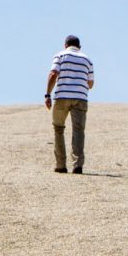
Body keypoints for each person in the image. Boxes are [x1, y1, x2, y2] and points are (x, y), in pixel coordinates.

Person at [44, 35, 95, 174]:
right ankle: (77, 165)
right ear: (79, 47)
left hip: (62, 97)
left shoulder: (60, 55)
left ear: (65, 45)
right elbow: (90, 84)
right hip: (80, 98)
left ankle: (60, 165)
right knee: (78, 131)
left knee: (58, 128)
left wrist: (48, 94)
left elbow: (53, 74)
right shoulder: (87, 59)